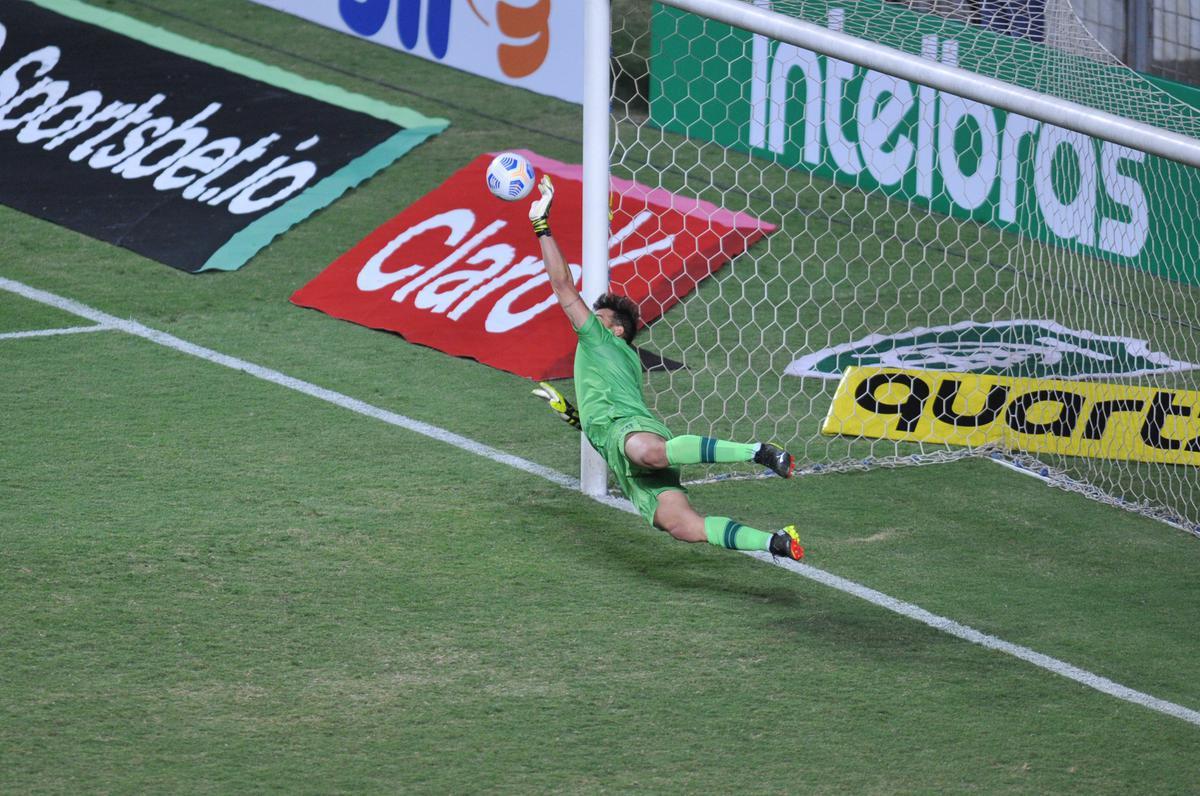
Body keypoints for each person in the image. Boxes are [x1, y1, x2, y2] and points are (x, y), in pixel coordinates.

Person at [527, 175, 803, 561]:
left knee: (649, 452)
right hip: (619, 451)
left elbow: (561, 286)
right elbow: (603, 408)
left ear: (616, 329)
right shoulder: (612, 358)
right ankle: (774, 542)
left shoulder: (601, 341)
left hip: (632, 435)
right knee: (684, 527)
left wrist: (542, 227)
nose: (589, 316)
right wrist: (576, 417)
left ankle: (758, 452)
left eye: (598, 314)